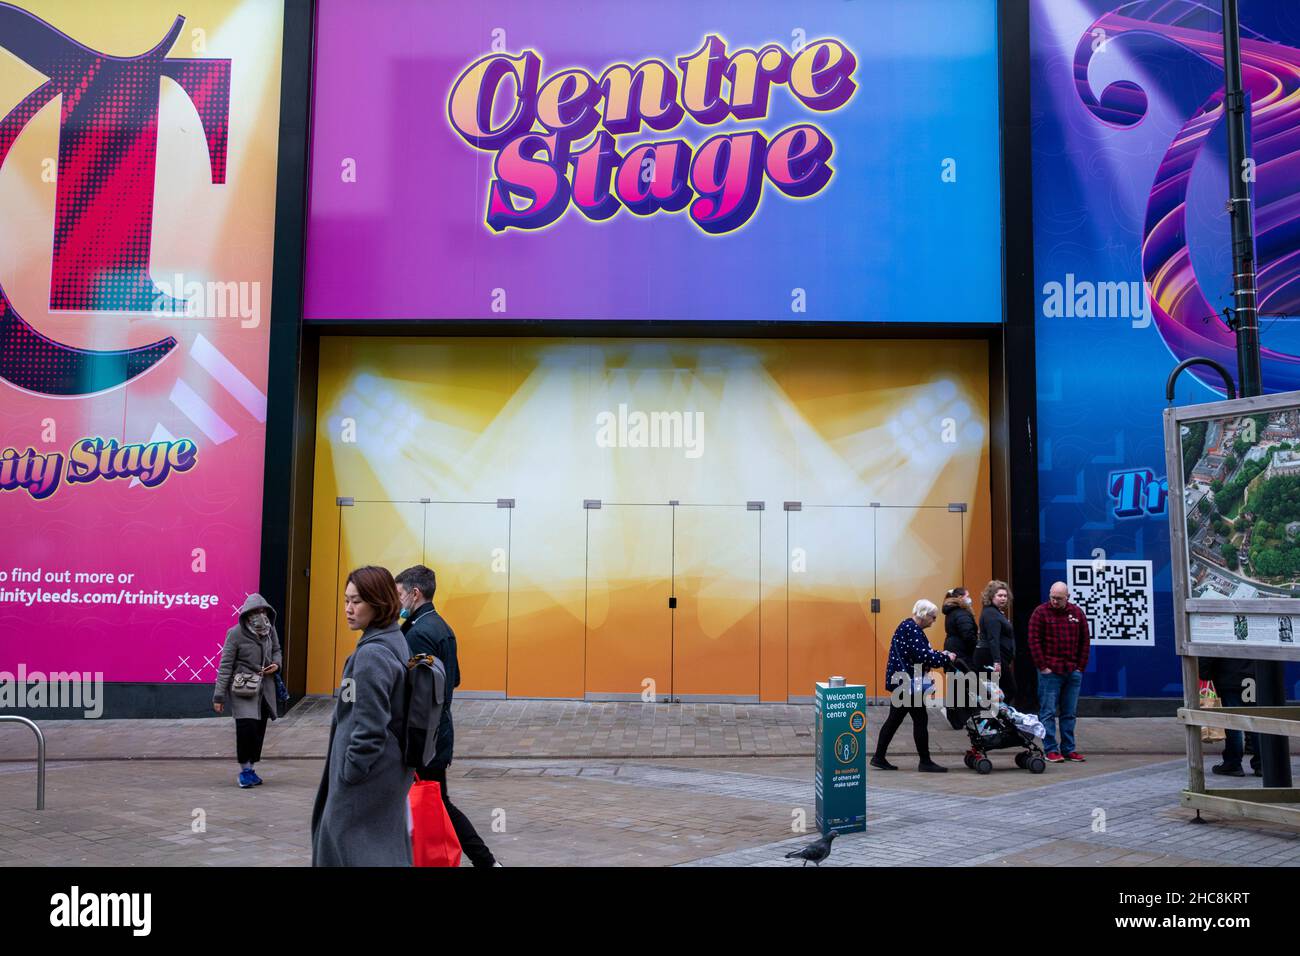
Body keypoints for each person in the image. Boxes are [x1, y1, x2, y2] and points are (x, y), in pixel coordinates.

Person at [395, 564, 500, 867]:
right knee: (436, 802)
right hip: (439, 732)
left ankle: (485, 861)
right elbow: (453, 679)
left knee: (438, 803)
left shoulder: (417, 634)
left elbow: (413, 691)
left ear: (415, 594)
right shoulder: (442, 627)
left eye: (399, 594)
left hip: (423, 736)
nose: (396, 601)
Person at [311, 566, 413, 866]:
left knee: (344, 844)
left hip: (366, 776)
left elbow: (370, 726)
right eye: (346, 600)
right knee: (381, 846)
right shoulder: (394, 640)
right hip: (386, 771)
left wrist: (351, 771)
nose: (348, 609)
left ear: (378, 602)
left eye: (356, 601)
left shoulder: (371, 655)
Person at [871, 599, 957, 773]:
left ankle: (879, 757)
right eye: (933, 618)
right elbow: (922, 655)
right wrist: (946, 658)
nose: (934, 622)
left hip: (903, 683)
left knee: (895, 720)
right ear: (924, 616)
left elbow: (920, 653)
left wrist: (939, 655)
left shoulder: (907, 626)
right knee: (919, 720)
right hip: (908, 683)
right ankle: (924, 762)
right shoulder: (912, 629)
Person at [213, 593, 282, 788]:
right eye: (255, 611)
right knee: (246, 728)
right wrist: (219, 696)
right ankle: (245, 770)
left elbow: (277, 650)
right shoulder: (235, 634)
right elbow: (225, 665)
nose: (260, 615)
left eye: (263, 611)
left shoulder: (270, 631)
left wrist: (276, 664)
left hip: (264, 690)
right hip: (243, 689)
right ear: (247, 614)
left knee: (259, 729)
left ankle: (251, 767)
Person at [1027, 581, 1090, 763]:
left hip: (1072, 671)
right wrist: (1043, 667)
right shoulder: (1040, 613)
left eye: (1059, 599)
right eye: (1052, 597)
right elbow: (1034, 641)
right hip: (1050, 672)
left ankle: (1069, 749)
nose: (1054, 601)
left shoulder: (1077, 613)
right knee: (1047, 712)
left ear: (1067, 597)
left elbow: (1085, 641)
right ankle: (1050, 749)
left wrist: (1080, 667)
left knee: (1069, 713)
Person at [1199, 657, 1260, 777]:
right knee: (1256, 723)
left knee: (1233, 723)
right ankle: (1262, 764)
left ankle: (1233, 763)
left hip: (1229, 678)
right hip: (1254, 677)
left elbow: (1208, 655)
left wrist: (1205, 674)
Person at [976, 580, 1018, 708]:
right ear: (991, 597)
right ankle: (993, 719)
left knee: (998, 690)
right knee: (1008, 689)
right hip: (991, 657)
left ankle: (994, 719)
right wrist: (997, 662)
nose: (1003, 598)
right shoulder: (991, 614)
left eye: (1005, 596)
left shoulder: (995, 612)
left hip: (994, 657)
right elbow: (993, 639)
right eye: (1000, 595)